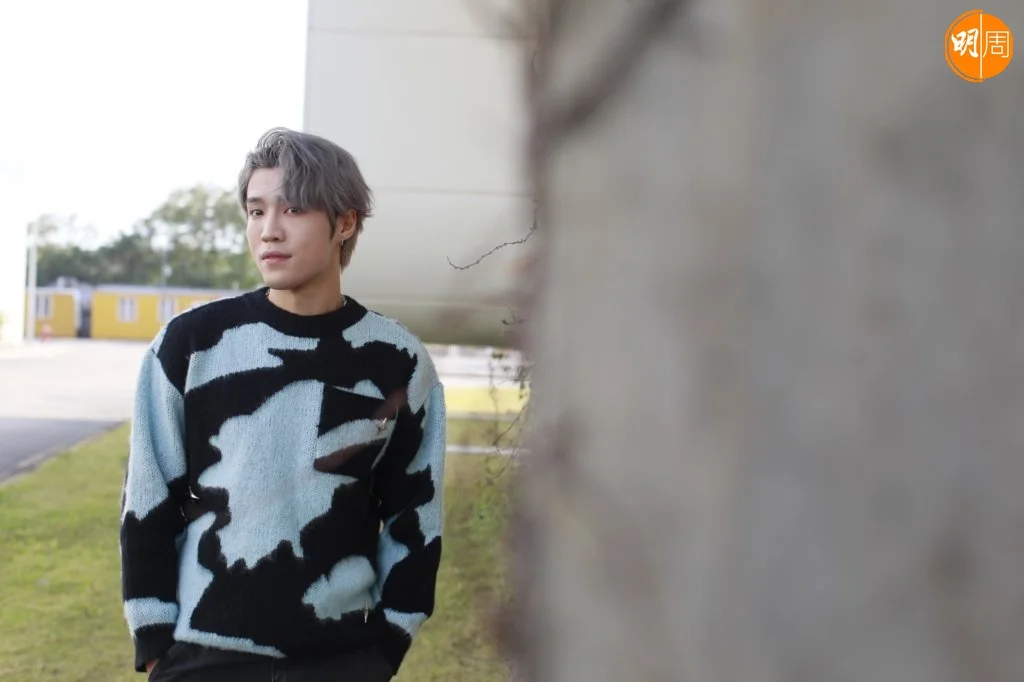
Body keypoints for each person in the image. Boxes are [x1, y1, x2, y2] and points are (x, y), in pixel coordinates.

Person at [119, 127, 447, 681]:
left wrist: (388, 644)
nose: (268, 230)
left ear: (345, 223)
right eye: (256, 210)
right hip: (201, 657)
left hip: (340, 660)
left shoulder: (399, 361)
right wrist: (155, 642)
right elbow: (147, 501)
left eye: (293, 209)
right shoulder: (190, 345)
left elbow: (416, 512)